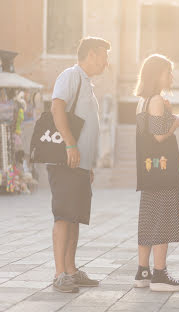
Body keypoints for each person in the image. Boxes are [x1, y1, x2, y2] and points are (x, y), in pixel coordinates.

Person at [49, 37, 110, 293]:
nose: (107, 61)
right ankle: (60, 273)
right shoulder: (71, 75)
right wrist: (71, 144)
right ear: (92, 54)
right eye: (104, 55)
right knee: (64, 215)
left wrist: (89, 163)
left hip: (80, 164)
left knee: (75, 216)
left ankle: (71, 269)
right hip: (66, 160)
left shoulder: (88, 83)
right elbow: (56, 107)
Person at [133, 54, 179, 292]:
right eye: (168, 72)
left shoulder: (143, 101)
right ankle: (160, 274)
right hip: (162, 170)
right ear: (157, 75)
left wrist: (168, 113)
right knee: (163, 219)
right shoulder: (155, 99)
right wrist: (176, 122)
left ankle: (143, 272)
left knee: (148, 219)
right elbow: (159, 136)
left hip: (149, 170)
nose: (171, 76)